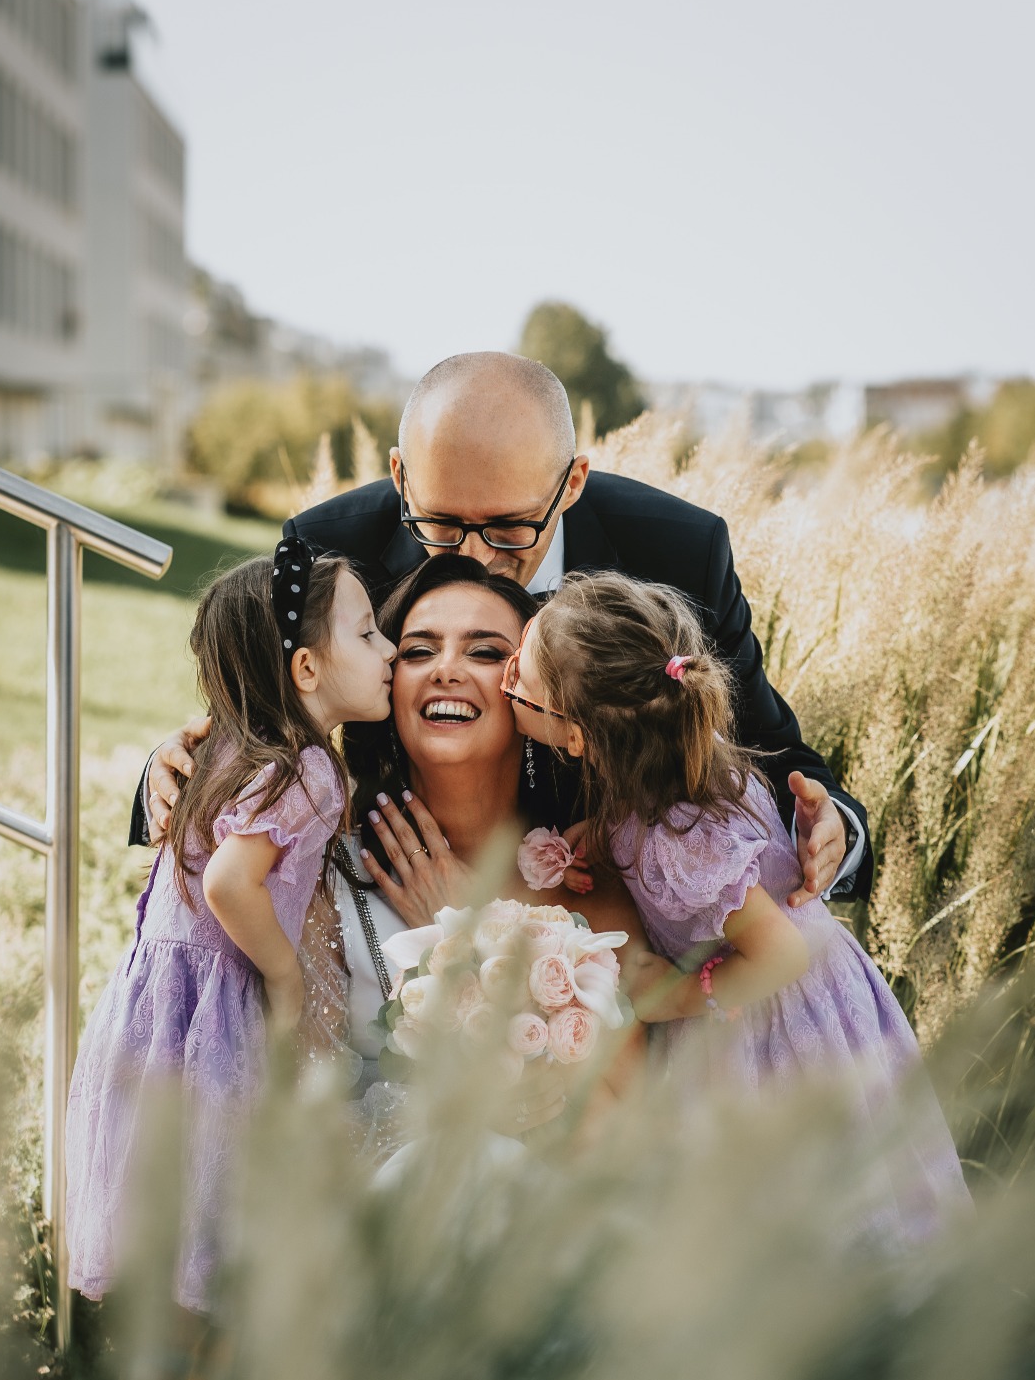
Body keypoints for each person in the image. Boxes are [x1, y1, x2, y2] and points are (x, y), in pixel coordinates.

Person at [133, 351, 871, 909]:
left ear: (572, 483)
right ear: (399, 477)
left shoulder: (675, 552)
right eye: (443, 525)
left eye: (512, 528)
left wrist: (827, 831)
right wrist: (169, 778)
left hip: (618, 926)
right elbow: (262, 723)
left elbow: (767, 750)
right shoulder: (331, 552)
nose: (478, 560)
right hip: (387, 898)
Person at [505, 571, 971, 1246]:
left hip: (776, 1027)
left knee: (809, 1216)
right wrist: (601, 840)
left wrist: (672, 995)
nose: (506, 673)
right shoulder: (695, 771)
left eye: (520, 672)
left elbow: (779, 952)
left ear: (574, 736)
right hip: (827, 1002)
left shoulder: (672, 839)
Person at [65, 539, 396, 1380]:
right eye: (369, 634)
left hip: (154, 1019)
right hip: (214, 1030)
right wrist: (286, 972)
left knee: (179, 1274)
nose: (392, 652)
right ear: (305, 667)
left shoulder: (226, 750)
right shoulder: (311, 771)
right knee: (213, 1270)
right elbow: (231, 886)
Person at [324, 554, 653, 1117]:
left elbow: (626, 1123)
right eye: (418, 651)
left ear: (540, 695)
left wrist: (465, 931)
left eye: (485, 653)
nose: (445, 670)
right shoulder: (323, 867)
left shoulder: (588, 880)